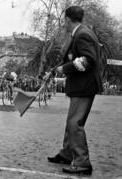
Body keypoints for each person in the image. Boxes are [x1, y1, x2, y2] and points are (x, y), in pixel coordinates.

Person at [47, 6, 103, 175]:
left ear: (67, 19)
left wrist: (64, 69)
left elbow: (88, 60)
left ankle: (82, 161)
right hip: (83, 85)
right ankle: (67, 153)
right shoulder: (82, 32)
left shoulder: (82, 34)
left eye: (64, 21)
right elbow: (74, 58)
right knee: (71, 121)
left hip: (84, 86)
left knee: (74, 123)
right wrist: (57, 70)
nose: (63, 24)